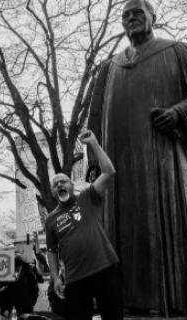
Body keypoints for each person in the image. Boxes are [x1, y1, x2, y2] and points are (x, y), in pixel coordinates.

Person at [87, 0, 187, 316]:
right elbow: (93, 120)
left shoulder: (177, 51)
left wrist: (177, 113)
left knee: (162, 231)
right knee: (122, 234)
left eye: (137, 13)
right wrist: (94, 162)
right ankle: (127, 301)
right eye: (126, 15)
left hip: (164, 164)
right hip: (120, 169)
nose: (131, 19)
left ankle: (173, 301)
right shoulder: (109, 67)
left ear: (152, 18)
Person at [45, 129, 122, 320]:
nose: (60, 185)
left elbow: (109, 172)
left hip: (104, 268)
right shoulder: (50, 219)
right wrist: (55, 277)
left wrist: (93, 143)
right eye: (56, 184)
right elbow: (51, 250)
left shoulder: (88, 197)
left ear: (71, 186)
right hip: (75, 278)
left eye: (64, 181)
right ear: (54, 193)